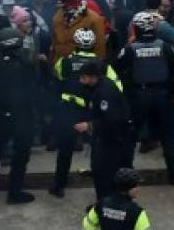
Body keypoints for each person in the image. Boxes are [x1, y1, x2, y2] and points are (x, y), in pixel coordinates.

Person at [50, 28, 121, 197]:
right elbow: (117, 87)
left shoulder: (64, 62)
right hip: (92, 112)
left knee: (65, 149)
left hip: (69, 110)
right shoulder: (102, 64)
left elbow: (57, 79)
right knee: (97, 148)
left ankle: (59, 185)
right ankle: (102, 186)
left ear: (76, 43)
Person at [116, 11, 174, 184]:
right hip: (163, 95)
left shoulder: (130, 49)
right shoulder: (165, 47)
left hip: (139, 96)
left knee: (130, 137)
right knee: (168, 137)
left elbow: (117, 70)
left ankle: (125, 176)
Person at [0, 27, 37, 204]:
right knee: (21, 156)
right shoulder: (25, 64)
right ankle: (14, 193)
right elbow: (33, 90)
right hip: (21, 116)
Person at [78, 60, 132, 200]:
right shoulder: (98, 86)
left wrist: (89, 126)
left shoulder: (105, 92)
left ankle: (105, 205)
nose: (81, 81)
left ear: (92, 77)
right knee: (99, 171)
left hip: (111, 140)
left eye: (83, 77)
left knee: (104, 174)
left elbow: (112, 120)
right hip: (103, 139)